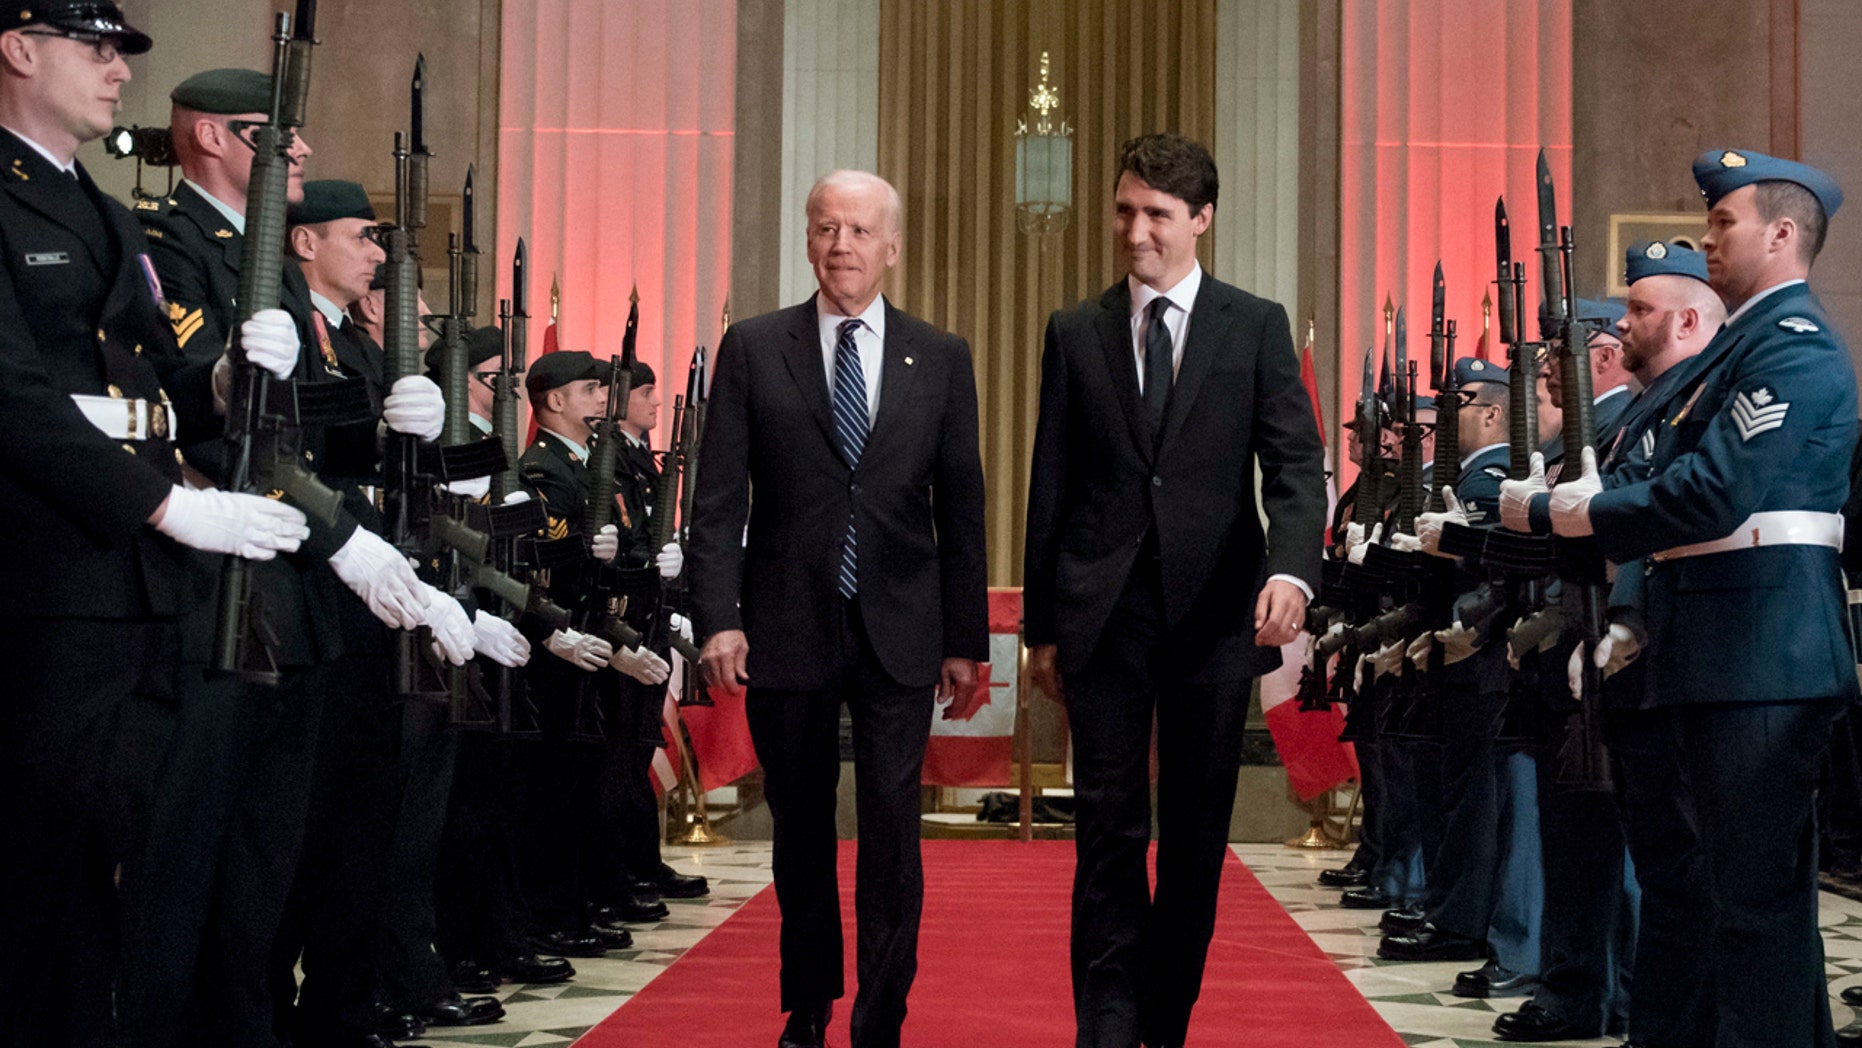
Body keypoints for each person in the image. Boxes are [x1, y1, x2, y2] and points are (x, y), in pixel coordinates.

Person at [0, 6, 309, 1040]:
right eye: (95, 48)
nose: (118, 71)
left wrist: (224, 377)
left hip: (126, 585)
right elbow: (13, 393)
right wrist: (167, 501)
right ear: (18, 47)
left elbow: (149, 382)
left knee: (100, 864)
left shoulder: (97, 208)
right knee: (30, 872)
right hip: (40, 573)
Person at [1022, 133, 1325, 1048]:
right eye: (1125, 210)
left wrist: (1292, 571)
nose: (1136, 230)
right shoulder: (1076, 331)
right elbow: (1053, 483)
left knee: (1195, 839)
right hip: (1104, 617)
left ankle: (1164, 1022)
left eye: (1156, 213)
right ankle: (1106, 1028)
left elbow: (1297, 466)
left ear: (1202, 219)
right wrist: (1043, 627)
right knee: (1109, 832)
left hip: (1215, 617)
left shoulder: (1255, 324)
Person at [1546, 149, 1854, 1048]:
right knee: (1731, 900)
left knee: (1752, 909)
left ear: (1782, 234)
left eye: (1725, 222)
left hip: (1765, 651)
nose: (1708, 237)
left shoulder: (1791, 349)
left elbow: (1715, 492)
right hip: (1724, 646)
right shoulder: (1740, 351)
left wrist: (1589, 514)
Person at [688, 168, 988, 1048]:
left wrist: (965, 641)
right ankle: (810, 1004)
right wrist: (717, 616)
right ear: (807, 239)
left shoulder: (940, 356)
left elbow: (961, 510)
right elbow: (717, 503)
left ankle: (881, 1014)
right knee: (802, 830)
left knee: (894, 829)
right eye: (825, 228)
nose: (841, 246)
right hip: (785, 627)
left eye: (859, 231)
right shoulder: (754, 346)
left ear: (891, 247)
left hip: (901, 629)